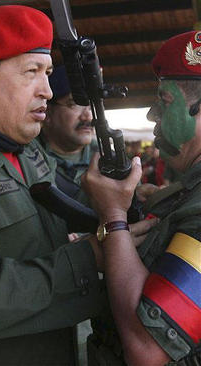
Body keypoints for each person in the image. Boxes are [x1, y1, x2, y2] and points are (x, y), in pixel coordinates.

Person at [0, 5, 156, 366]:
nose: (47, 90)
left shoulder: (22, 148)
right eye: (31, 72)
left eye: (47, 73)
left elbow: (56, 208)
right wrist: (90, 256)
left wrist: (117, 204)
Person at [82, 30, 201, 366]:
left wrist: (113, 216)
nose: (151, 115)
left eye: (163, 100)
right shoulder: (187, 190)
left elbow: (147, 349)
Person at [38, 65, 97, 204]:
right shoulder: (25, 158)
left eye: (91, 106)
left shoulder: (106, 158)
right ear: (47, 112)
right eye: (75, 104)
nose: (88, 116)